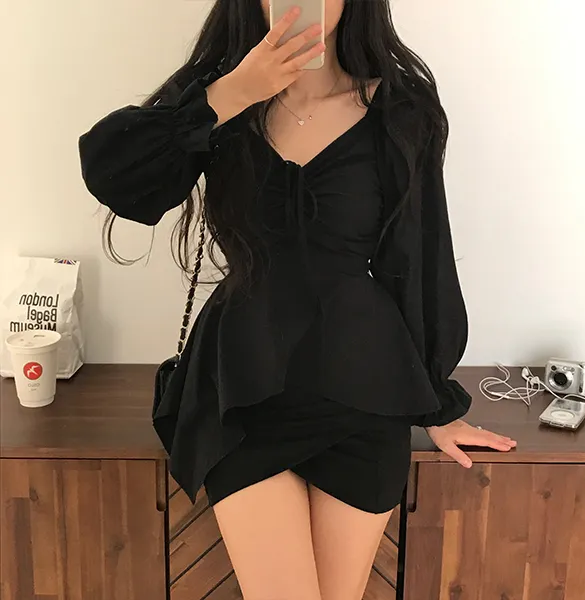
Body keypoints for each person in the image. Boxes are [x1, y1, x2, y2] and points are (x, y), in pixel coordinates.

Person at [78, 1, 517, 598]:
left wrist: (439, 404)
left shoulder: (401, 109)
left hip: (364, 391)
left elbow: (420, 261)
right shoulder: (217, 96)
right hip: (242, 394)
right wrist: (231, 94)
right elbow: (114, 172)